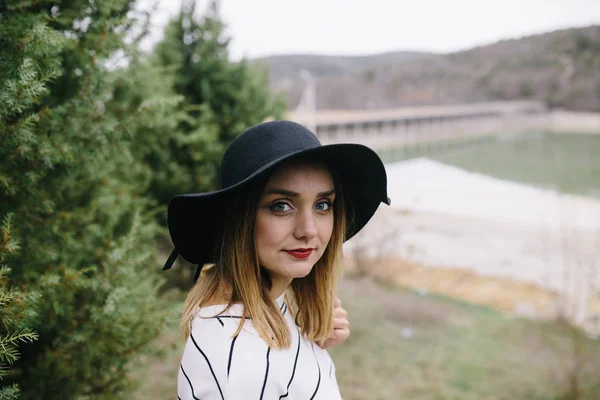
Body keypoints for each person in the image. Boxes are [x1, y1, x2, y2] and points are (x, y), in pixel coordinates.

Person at [162, 120, 390, 399]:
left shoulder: (256, 311)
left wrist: (308, 349)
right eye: (281, 206)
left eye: (322, 205)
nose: (308, 230)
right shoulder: (244, 356)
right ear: (240, 221)